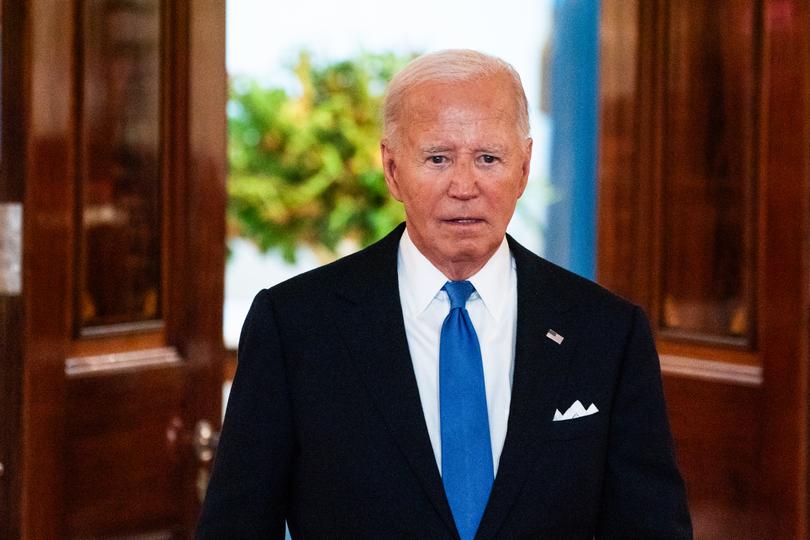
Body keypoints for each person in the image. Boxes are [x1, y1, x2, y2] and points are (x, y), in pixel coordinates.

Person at [196, 49, 692, 539]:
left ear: (523, 168)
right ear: (392, 170)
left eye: (488, 158)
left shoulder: (607, 331)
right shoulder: (295, 327)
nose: (464, 185)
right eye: (437, 158)